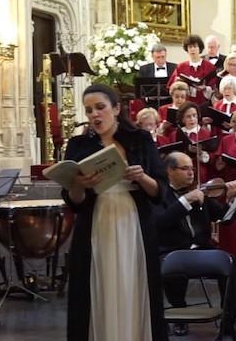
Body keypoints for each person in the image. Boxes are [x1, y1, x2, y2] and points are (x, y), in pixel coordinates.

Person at [61, 84, 168, 340]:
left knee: (132, 283)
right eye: (88, 111)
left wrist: (142, 178)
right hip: (95, 224)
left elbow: (160, 191)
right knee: (99, 287)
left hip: (133, 223)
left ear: (117, 108)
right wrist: (78, 184)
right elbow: (74, 202)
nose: (95, 115)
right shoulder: (78, 145)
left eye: (100, 108)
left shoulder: (140, 139)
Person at [155, 151, 236, 336]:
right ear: (169, 170)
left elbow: (223, 218)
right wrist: (186, 201)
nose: (191, 173)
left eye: (192, 169)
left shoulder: (200, 192)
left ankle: (229, 319)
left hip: (202, 248)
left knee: (230, 261)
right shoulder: (159, 194)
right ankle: (179, 315)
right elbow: (160, 223)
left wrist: (230, 199)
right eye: (185, 168)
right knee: (172, 266)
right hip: (173, 249)